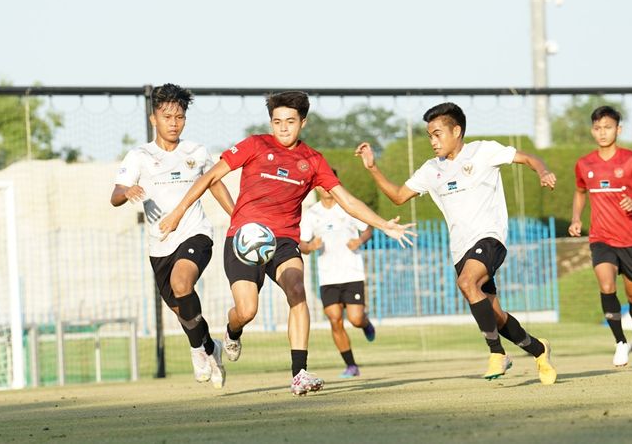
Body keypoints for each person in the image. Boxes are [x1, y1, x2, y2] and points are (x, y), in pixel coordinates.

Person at [159, 91, 416, 396]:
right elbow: (210, 177)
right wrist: (177, 213)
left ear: (302, 123)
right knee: (246, 310)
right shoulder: (254, 145)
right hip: (244, 238)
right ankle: (232, 331)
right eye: (277, 121)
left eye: (290, 122)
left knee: (297, 291)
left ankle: (299, 373)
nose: (283, 128)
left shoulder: (313, 160)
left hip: (284, 241)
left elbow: (346, 200)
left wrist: (383, 224)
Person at [355, 102, 557, 385]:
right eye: (429, 135)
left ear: (457, 131)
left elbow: (528, 158)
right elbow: (398, 196)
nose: (433, 141)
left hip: (490, 238)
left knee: (466, 283)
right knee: (495, 315)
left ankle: (497, 353)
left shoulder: (483, 151)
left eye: (437, 134)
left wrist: (543, 171)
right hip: (460, 249)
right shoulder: (430, 169)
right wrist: (373, 168)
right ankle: (539, 349)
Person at [110, 83, 235, 388]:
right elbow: (114, 195)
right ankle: (210, 348)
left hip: (195, 233)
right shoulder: (139, 155)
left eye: (179, 117)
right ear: (154, 118)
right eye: (167, 117)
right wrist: (128, 191)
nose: (174, 123)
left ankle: (196, 351)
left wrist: (237, 215)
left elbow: (214, 183)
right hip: (159, 245)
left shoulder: (196, 152)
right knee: (184, 312)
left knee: (183, 283)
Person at [568, 106, 632, 369]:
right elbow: (580, 191)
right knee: (607, 286)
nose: (602, 132)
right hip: (601, 238)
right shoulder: (584, 164)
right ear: (592, 131)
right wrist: (576, 219)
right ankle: (620, 341)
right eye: (597, 128)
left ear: (618, 129)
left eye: (607, 127)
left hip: (630, 239)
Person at [299, 173, 376, 379]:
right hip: (328, 276)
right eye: (321, 185)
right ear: (316, 187)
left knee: (355, 318)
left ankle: (365, 324)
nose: (325, 188)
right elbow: (302, 244)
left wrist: (359, 241)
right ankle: (351, 365)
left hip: (352, 272)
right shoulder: (311, 213)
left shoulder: (348, 206)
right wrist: (310, 246)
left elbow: (368, 228)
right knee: (335, 320)